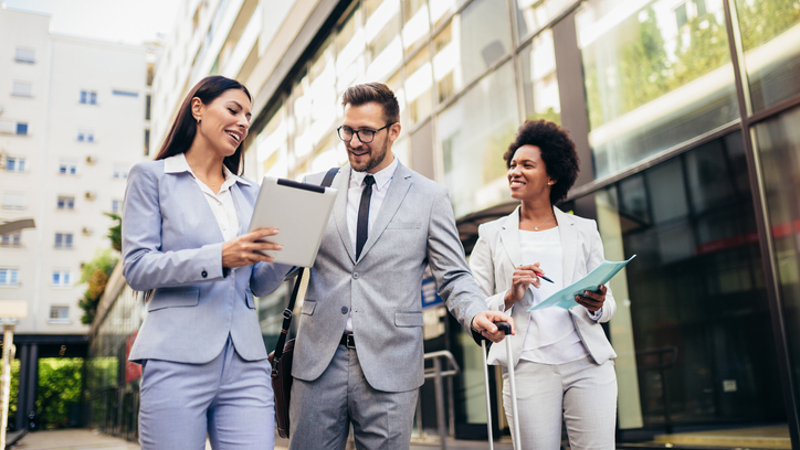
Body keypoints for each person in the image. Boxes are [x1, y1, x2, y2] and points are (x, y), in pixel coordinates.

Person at [284, 82, 514, 450]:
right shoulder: (315, 187)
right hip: (317, 364)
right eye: (347, 130)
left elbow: (453, 276)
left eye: (366, 132)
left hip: (391, 364)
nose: (354, 141)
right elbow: (279, 267)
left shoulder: (429, 196)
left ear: (394, 131)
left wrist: (475, 314)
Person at [122, 76, 287, 449]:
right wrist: (219, 257)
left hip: (246, 364)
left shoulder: (252, 194)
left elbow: (257, 284)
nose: (243, 122)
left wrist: (290, 252)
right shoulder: (152, 179)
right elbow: (137, 267)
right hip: (175, 358)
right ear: (198, 108)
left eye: (248, 115)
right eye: (233, 110)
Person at [469, 119, 618, 449]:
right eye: (512, 164)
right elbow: (472, 301)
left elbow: (609, 306)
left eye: (526, 165)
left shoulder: (584, 229)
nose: (514, 171)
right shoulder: (491, 235)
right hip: (528, 368)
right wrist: (509, 295)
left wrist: (597, 304)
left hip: (588, 365)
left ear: (551, 176)